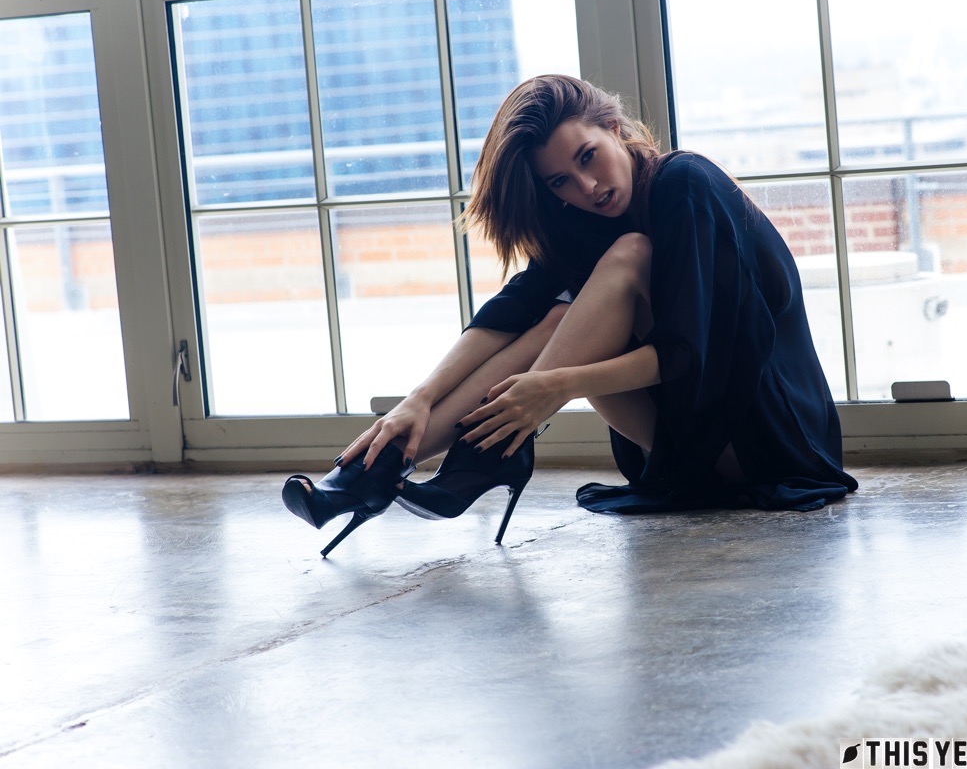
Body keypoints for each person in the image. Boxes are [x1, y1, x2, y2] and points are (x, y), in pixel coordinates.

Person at [282, 75, 857, 556]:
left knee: (628, 256)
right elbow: (511, 311)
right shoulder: (586, 219)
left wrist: (557, 386)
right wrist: (419, 397)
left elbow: (688, 354)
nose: (586, 187)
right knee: (556, 317)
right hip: (687, 442)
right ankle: (371, 471)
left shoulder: (684, 183)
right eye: (561, 181)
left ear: (614, 128)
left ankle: (483, 457)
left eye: (589, 158)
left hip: (769, 444)